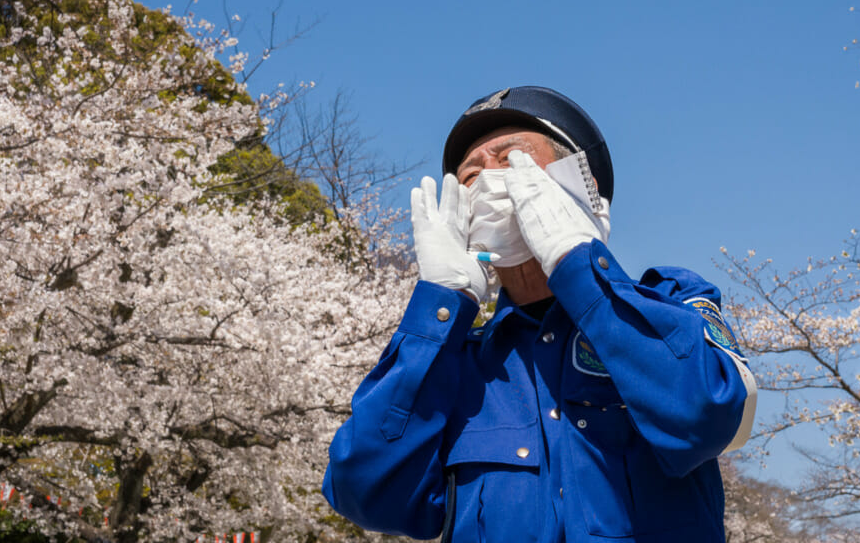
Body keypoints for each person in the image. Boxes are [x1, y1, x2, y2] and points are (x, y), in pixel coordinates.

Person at [322, 86, 757, 542]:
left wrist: (577, 262)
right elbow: (365, 493)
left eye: (512, 159)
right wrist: (441, 304)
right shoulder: (458, 363)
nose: (490, 180)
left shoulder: (674, 303)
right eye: (471, 175)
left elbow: (710, 413)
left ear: (579, 185)